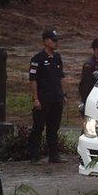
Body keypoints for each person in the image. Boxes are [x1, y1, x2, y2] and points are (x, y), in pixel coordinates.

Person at [28, 29, 67, 165]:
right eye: (53, 40)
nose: (56, 43)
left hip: (56, 98)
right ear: (45, 41)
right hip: (43, 98)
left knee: (53, 128)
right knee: (38, 127)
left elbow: (61, 77)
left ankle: (54, 155)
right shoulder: (37, 59)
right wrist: (36, 98)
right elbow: (33, 80)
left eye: (57, 40)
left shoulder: (57, 57)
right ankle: (34, 156)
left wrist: (64, 94)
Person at [78, 37, 98, 115]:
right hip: (91, 98)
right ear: (96, 48)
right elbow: (85, 85)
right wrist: (85, 101)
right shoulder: (89, 64)